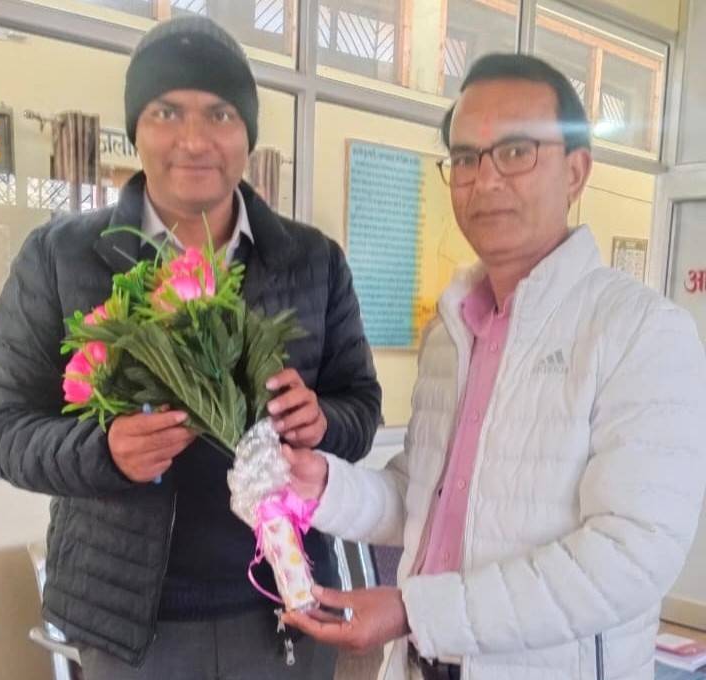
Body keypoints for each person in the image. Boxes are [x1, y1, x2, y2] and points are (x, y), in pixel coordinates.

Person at [282, 53, 706, 680]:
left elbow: (628, 557)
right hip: (422, 665)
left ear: (576, 171)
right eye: (465, 158)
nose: (484, 180)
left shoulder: (640, 331)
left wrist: (412, 610)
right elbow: (418, 498)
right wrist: (322, 485)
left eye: (515, 152)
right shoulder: (451, 333)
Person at [0, 15, 381, 680]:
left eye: (220, 113)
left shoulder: (312, 259)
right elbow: (3, 426)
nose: (194, 140)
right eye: (167, 111)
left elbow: (360, 408)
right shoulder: (60, 257)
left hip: (285, 604)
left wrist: (323, 423)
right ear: (136, 127)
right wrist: (105, 452)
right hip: (131, 629)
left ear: (247, 133)